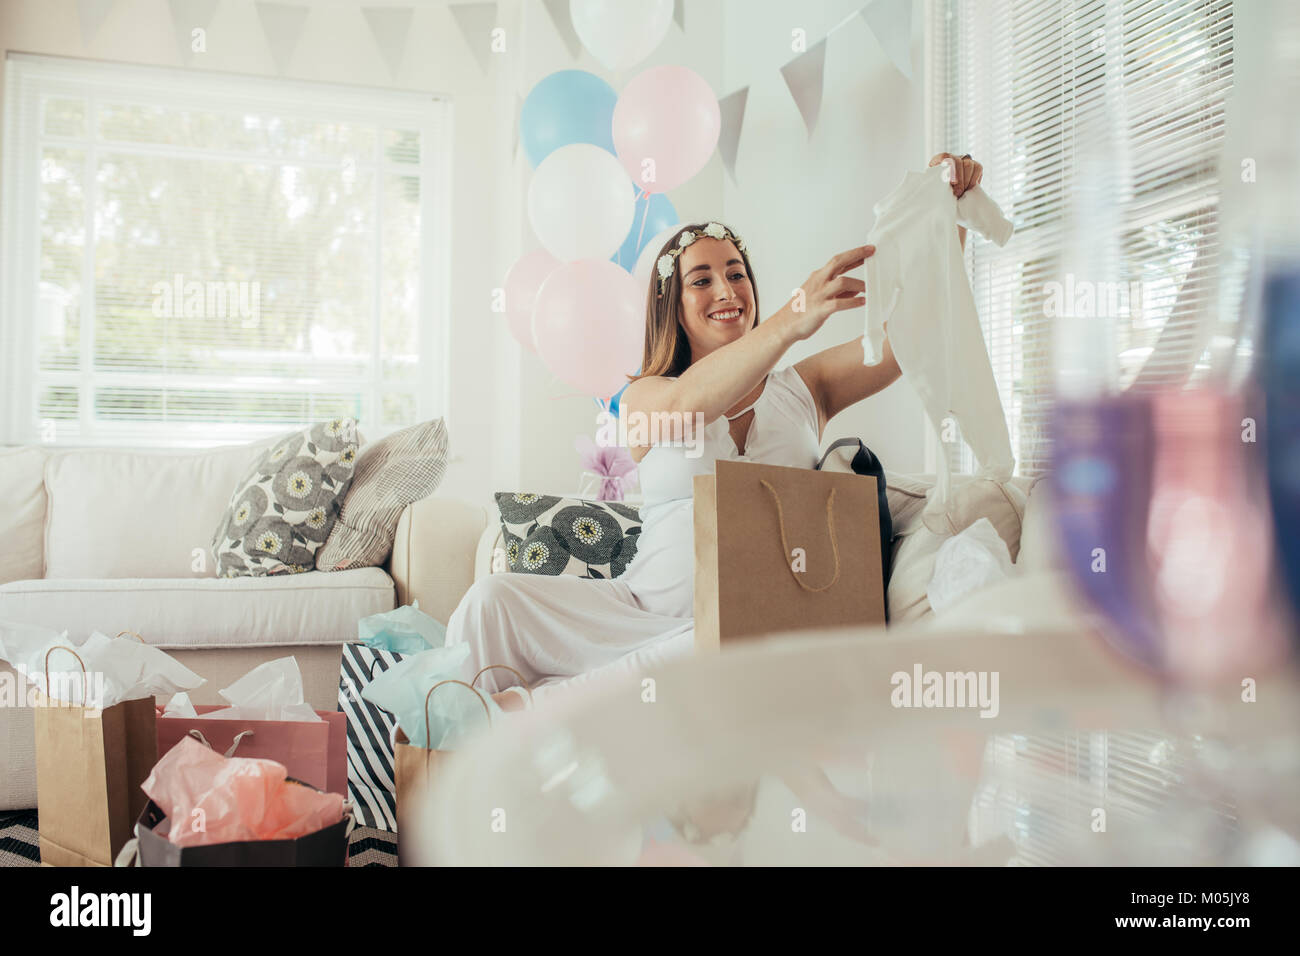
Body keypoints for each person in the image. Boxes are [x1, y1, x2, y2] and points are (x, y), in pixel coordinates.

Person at [446, 154, 983, 712]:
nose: (727, 291)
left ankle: (518, 716)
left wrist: (949, 220)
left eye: (736, 273)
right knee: (490, 600)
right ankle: (459, 742)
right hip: (634, 612)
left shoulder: (808, 388)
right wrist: (792, 320)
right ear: (672, 307)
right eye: (701, 280)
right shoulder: (644, 397)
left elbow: (912, 341)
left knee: (728, 647)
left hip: (747, 631)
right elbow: (688, 403)